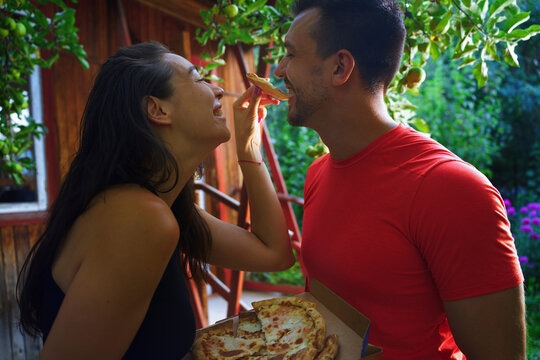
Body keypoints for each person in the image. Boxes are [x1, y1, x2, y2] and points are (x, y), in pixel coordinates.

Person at [274, 0, 526, 359]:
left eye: (290, 54)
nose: (280, 69)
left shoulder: (451, 190)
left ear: (340, 67)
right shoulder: (318, 173)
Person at [16, 41, 295, 359]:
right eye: (198, 78)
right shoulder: (139, 218)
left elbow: (274, 255)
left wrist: (249, 147)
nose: (217, 89)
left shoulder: (159, 205)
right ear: (158, 110)